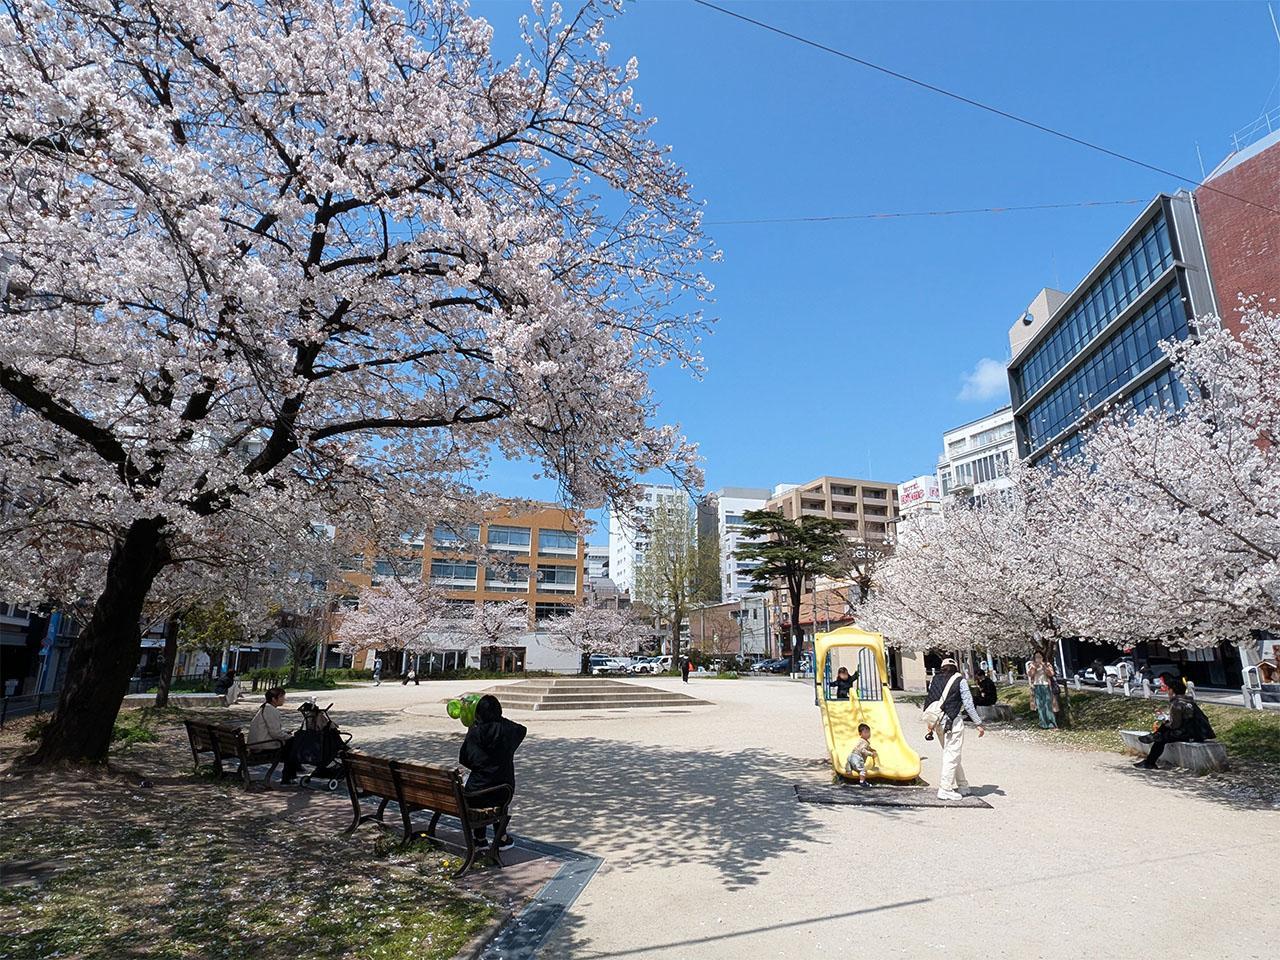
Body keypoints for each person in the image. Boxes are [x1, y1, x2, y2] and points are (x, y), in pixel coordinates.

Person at [459, 695, 527, 849]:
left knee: (479, 789)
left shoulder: (475, 733)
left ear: (477, 714)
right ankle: (501, 837)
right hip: (504, 789)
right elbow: (522, 729)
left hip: (476, 793)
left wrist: (472, 726)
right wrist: (498, 719)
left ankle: (480, 838)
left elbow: (465, 760)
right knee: (499, 795)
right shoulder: (509, 731)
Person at [925, 658, 985, 801]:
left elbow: (931, 699)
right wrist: (978, 722)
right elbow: (968, 704)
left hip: (937, 721)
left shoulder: (935, 680)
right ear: (955, 667)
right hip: (953, 722)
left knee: (952, 753)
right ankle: (945, 788)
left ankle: (963, 785)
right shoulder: (960, 680)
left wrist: (930, 723)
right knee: (952, 755)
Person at [1135, 676, 1215, 769]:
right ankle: (1153, 738)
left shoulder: (1176, 704)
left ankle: (1150, 758)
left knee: (1161, 739)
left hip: (1192, 734)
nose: (1167, 692)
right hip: (1199, 732)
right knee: (1163, 731)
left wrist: (1166, 722)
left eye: (1168, 689)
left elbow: (1175, 725)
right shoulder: (1188, 700)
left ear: (1172, 691)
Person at [247, 687, 300, 784]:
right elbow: (275, 733)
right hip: (263, 745)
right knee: (293, 744)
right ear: (274, 699)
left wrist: (285, 734)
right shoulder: (271, 710)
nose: (284, 699)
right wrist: (289, 737)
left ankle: (293, 771)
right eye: (282, 697)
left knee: (291, 745)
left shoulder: (265, 708)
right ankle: (288, 776)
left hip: (257, 742)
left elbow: (272, 730)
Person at [1027, 652, 1057, 729]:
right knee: (1040, 706)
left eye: (1040, 657)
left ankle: (1052, 724)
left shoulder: (1047, 664)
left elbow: (1051, 674)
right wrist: (1034, 667)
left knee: (1048, 705)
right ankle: (1043, 724)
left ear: (1043, 657)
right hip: (1036, 686)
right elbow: (1030, 675)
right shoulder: (1032, 665)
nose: (1038, 658)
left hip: (1046, 686)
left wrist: (1043, 666)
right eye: (1036, 657)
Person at [844, 722, 878, 787]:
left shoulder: (861, 740)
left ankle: (848, 768)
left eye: (869, 732)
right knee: (862, 770)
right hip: (857, 757)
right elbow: (863, 750)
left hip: (851, 756)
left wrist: (871, 749)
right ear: (860, 734)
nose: (868, 734)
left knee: (850, 762)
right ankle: (862, 782)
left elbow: (864, 747)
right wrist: (871, 754)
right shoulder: (865, 743)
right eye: (865, 733)